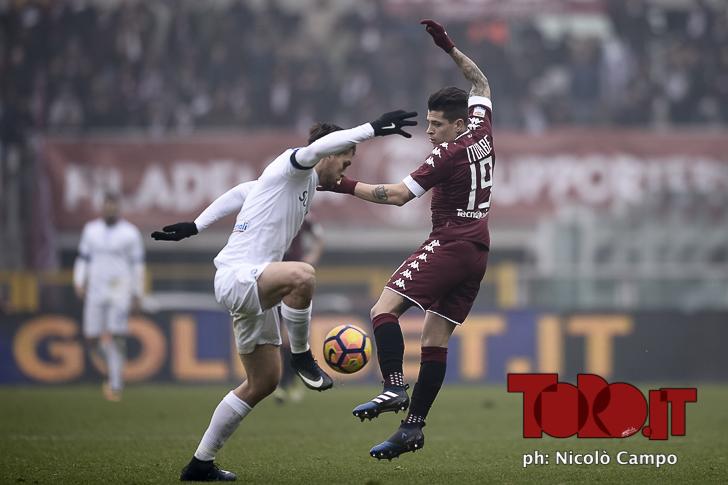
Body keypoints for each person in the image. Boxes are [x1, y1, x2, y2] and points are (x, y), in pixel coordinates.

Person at [151, 110, 417, 481]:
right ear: (327, 153)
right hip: (237, 275)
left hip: (256, 286)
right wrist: (370, 129)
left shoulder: (293, 184)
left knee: (262, 382)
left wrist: (196, 225)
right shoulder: (293, 165)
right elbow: (316, 150)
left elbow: (242, 191)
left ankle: (200, 463)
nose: (345, 169)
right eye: (345, 161)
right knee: (303, 276)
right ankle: (302, 356)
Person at [318, 19, 494, 460]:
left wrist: (341, 185)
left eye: (436, 125)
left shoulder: (447, 155)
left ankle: (394, 386)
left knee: (383, 309)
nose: (429, 132)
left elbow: (396, 196)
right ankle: (412, 428)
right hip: (478, 249)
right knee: (434, 340)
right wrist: (449, 47)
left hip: (451, 242)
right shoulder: (481, 130)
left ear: (457, 125)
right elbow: (480, 82)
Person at [73, 192, 145, 402]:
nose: (110, 208)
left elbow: (137, 265)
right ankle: (114, 368)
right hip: (95, 290)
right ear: (102, 206)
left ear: (118, 207)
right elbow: (83, 258)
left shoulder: (130, 233)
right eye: (107, 204)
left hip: (119, 291)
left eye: (113, 205)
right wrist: (79, 281)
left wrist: (137, 292)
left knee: (116, 336)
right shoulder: (91, 230)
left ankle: (115, 384)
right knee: (92, 339)